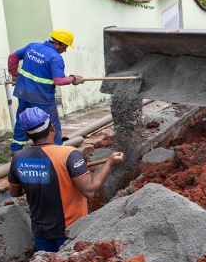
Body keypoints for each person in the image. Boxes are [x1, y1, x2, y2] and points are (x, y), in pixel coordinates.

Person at [8, 107, 124, 252]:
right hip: (72, 232)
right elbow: (89, 190)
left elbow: (14, 192)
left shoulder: (18, 159)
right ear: (52, 127)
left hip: (40, 232)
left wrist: (35, 177)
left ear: (26, 134)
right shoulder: (69, 154)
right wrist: (109, 163)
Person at [8, 29, 84, 152]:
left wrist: (14, 74)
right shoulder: (55, 57)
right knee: (52, 124)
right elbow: (59, 80)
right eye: (65, 47)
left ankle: (16, 148)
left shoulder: (32, 47)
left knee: (23, 119)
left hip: (23, 92)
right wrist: (73, 78)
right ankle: (58, 150)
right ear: (57, 44)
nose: (65, 50)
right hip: (41, 96)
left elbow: (12, 57)